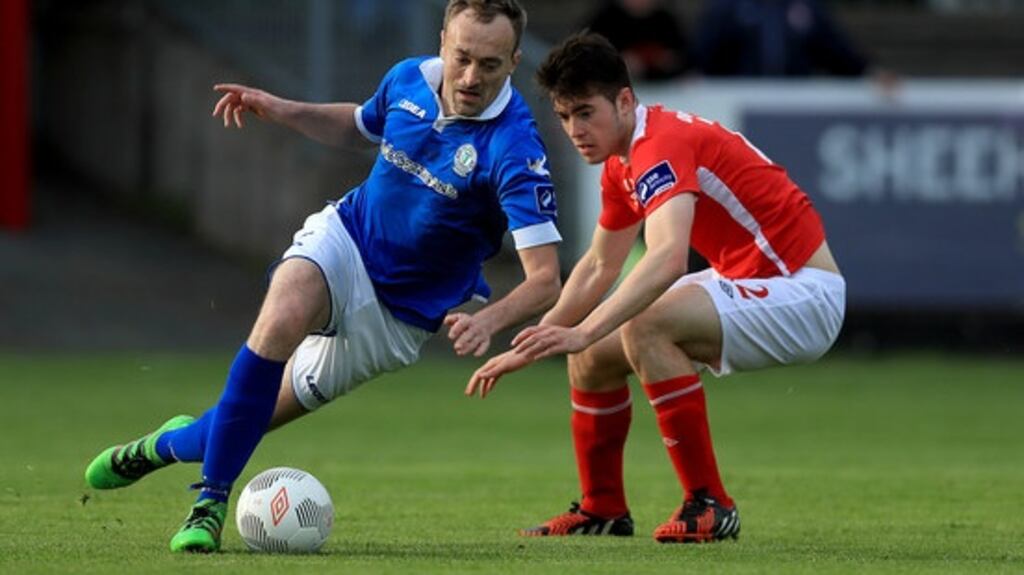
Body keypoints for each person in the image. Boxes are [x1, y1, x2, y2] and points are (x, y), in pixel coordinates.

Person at [84, 0, 562, 553]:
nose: (471, 77)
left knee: (244, 420)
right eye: (462, 58)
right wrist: (280, 108)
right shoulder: (410, 77)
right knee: (281, 317)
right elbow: (359, 125)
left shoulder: (515, 149)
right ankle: (208, 504)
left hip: (398, 317)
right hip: (347, 239)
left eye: (490, 64)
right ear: (442, 43)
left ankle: (165, 445)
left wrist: (490, 319)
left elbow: (545, 279)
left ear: (514, 61)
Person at [466, 32, 845, 543]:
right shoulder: (621, 162)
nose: (575, 130)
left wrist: (584, 328)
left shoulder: (660, 144)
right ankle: (602, 509)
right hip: (752, 281)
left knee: (642, 324)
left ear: (624, 101)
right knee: (591, 355)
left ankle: (709, 503)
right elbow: (600, 265)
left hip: (805, 290)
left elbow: (667, 258)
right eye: (564, 116)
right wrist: (539, 340)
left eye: (585, 112)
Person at [696, 0, 876, 78]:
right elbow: (706, 50)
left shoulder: (806, 6)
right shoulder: (728, 7)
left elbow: (836, 51)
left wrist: (867, 73)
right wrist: (692, 71)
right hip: (738, 100)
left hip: (793, 104)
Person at [584, 0, 692, 81]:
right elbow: (586, 60)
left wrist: (670, 62)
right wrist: (617, 65)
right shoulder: (604, 21)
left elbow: (686, 59)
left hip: (664, 90)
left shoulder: (666, 21)